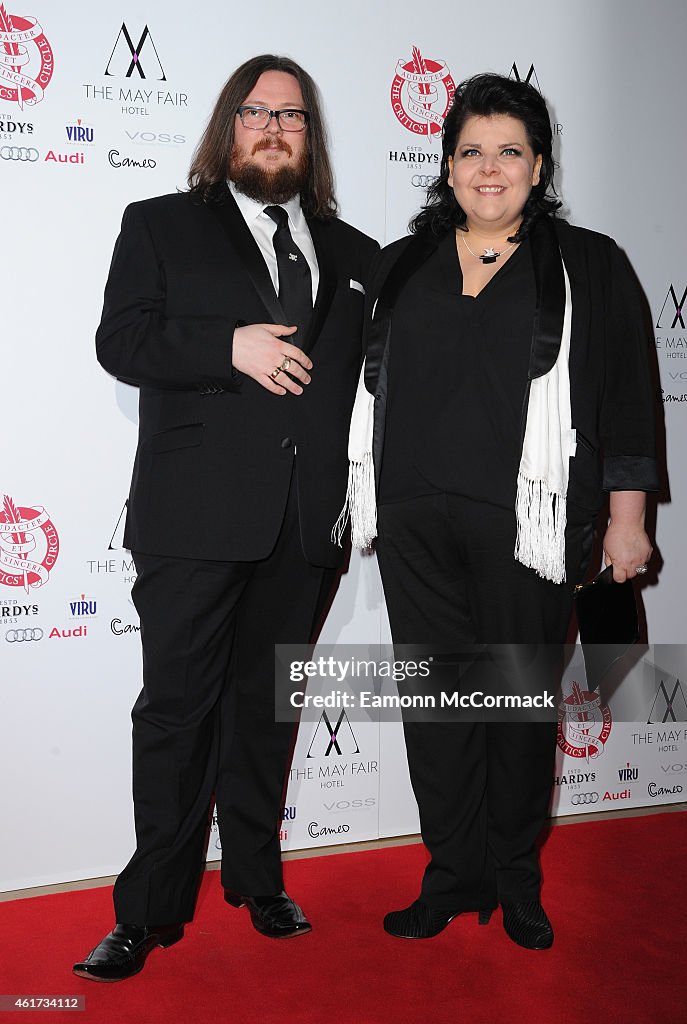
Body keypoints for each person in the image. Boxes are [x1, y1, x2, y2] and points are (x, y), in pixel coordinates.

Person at [73, 54, 378, 982]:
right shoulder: (162, 225)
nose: (274, 128)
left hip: (304, 527)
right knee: (175, 714)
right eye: (256, 112)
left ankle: (257, 877)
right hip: (192, 518)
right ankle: (148, 912)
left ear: (309, 135)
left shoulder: (358, 253)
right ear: (227, 127)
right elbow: (119, 341)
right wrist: (227, 346)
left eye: (291, 115)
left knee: (266, 715)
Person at [339, 73, 657, 950]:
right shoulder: (400, 264)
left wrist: (627, 519)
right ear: (445, 165)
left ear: (538, 163)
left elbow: (629, 397)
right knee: (438, 711)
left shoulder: (588, 262)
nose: (489, 169)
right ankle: (450, 878)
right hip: (414, 526)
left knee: (516, 711)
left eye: (507, 151)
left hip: (529, 529)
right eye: (471, 151)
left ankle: (515, 880)